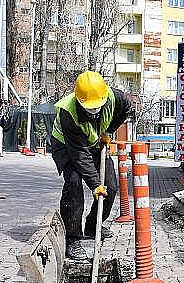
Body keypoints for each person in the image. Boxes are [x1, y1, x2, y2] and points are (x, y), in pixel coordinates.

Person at [51, 71, 133, 260]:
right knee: (73, 184)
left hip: (96, 141)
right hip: (67, 145)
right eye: (90, 107)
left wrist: (109, 130)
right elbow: (80, 155)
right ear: (79, 100)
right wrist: (95, 184)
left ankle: (92, 225)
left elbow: (125, 111)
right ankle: (72, 238)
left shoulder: (116, 97)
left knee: (111, 187)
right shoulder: (68, 112)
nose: (94, 110)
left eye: (97, 106)